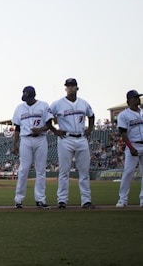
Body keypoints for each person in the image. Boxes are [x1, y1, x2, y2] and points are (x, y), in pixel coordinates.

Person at [49, 78, 95, 209]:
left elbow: (91, 116)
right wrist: (54, 130)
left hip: (81, 138)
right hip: (66, 138)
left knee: (84, 172)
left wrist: (90, 129)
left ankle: (86, 200)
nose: (70, 88)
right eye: (68, 86)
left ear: (77, 88)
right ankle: (62, 200)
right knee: (64, 171)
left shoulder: (83, 103)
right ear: (65, 88)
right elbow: (47, 117)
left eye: (72, 85)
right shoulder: (57, 103)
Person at [11, 86, 54, 209]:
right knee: (23, 169)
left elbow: (49, 124)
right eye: (25, 97)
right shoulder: (19, 108)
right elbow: (17, 128)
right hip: (25, 139)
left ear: (34, 95)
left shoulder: (44, 105)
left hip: (40, 139)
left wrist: (39, 129)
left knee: (40, 170)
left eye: (28, 97)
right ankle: (18, 199)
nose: (27, 100)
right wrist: (14, 144)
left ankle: (40, 199)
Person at [116, 90, 143, 207]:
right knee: (128, 172)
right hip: (133, 144)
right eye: (134, 98)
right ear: (129, 101)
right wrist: (131, 148)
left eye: (138, 97)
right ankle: (122, 199)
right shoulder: (124, 115)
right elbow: (123, 133)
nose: (137, 99)